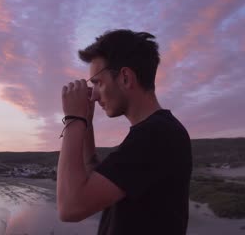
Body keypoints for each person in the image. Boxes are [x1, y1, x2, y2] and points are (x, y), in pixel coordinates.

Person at [57, 29, 192, 234]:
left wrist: (73, 119)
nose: (93, 96)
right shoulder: (156, 132)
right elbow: (93, 178)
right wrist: (86, 123)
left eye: (98, 83)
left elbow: (70, 208)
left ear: (125, 78)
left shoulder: (156, 135)